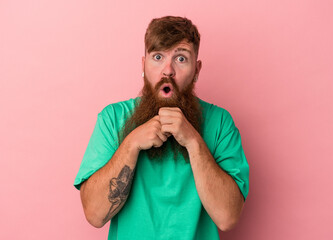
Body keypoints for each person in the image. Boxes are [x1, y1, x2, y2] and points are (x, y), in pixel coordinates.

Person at [74, 16, 249, 240]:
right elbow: (95, 215)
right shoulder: (112, 119)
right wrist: (131, 144)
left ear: (197, 69)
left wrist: (193, 142)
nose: (168, 70)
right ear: (143, 65)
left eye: (181, 58)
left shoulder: (220, 123)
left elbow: (227, 217)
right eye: (158, 57)